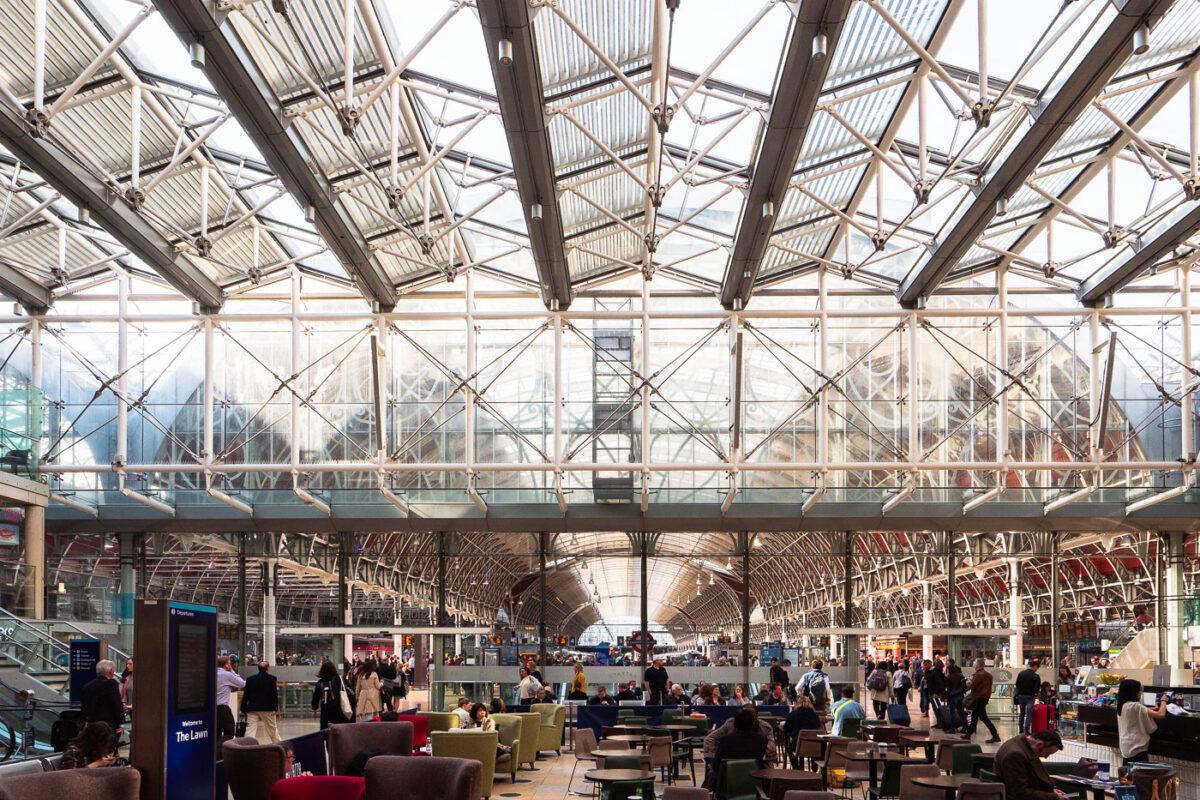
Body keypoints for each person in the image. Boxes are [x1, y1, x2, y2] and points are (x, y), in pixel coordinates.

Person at [994, 730, 1069, 800]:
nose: (1046, 757)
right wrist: (1052, 796)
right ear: (1039, 744)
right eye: (1047, 753)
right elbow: (1020, 792)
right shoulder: (1015, 755)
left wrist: (1050, 791)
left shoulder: (1023, 745)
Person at [705, 709, 768, 790]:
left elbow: (716, 765)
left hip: (727, 783)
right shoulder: (762, 740)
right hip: (753, 782)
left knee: (711, 774)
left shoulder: (726, 740)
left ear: (735, 724)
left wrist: (712, 766)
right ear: (753, 723)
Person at [1116, 678, 1168, 764]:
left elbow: (1134, 711)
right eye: (1138, 690)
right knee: (1140, 776)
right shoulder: (1136, 706)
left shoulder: (1121, 706)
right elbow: (1161, 714)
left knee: (1127, 776)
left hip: (1125, 748)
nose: (1140, 693)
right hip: (1138, 749)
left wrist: (1148, 709)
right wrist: (1164, 701)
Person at [81, 659, 126, 752]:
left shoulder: (87, 686)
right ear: (111, 671)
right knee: (107, 750)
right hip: (108, 726)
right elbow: (116, 704)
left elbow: (84, 707)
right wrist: (121, 723)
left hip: (92, 725)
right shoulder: (111, 683)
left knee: (95, 749)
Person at [242, 661, 281, 743]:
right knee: (272, 729)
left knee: (250, 730)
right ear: (268, 669)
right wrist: (275, 707)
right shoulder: (272, 678)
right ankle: (279, 746)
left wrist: (243, 708)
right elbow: (274, 694)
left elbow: (246, 695)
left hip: (252, 708)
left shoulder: (250, 679)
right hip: (267, 708)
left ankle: (247, 746)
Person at [964, 658, 1000, 743]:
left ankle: (995, 735)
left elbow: (972, 686)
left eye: (974, 663)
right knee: (975, 716)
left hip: (978, 698)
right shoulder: (988, 675)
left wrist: (967, 684)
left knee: (983, 717)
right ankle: (968, 735)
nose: (973, 665)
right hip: (984, 697)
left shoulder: (978, 675)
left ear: (977, 665)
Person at [312, 660, 352, 730]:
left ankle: (328, 740)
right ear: (333, 669)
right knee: (337, 730)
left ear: (322, 670)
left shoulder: (320, 682)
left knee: (326, 731)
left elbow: (315, 698)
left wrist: (314, 710)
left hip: (325, 710)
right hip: (338, 709)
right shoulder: (339, 679)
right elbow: (351, 689)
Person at [783, 696, 821, 768]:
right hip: (814, 746)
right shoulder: (815, 715)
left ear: (798, 704)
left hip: (797, 745)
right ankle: (814, 767)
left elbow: (786, 728)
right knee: (814, 747)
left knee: (790, 749)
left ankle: (796, 768)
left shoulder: (793, 714)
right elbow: (818, 727)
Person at [214, 655, 245, 743]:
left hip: (213, 708)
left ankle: (217, 754)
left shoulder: (213, 673)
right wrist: (232, 671)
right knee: (230, 732)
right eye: (229, 663)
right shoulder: (227, 675)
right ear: (226, 665)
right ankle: (217, 750)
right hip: (223, 708)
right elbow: (242, 683)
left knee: (217, 733)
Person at [1014, 658, 1041, 734]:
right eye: (1037, 668)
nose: (1037, 669)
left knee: (1022, 713)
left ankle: (1020, 729)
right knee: (1029, 713)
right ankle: (1026, 730)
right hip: (1030, 697)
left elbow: (1017, 684)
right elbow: (1036, 688)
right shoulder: (1036, 676)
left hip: (1021, 696)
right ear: (1035, 666)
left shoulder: (1021, 673)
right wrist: (1036, 693)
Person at [946, 663, 967, 733]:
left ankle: (952, 728)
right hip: (960, 696)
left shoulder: (949, 677)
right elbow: (965, 687)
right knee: (961, 712)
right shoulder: (961, 676)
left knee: (951, 712)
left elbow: (948, 688)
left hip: (953, 696)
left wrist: (947, 697)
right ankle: (964, 727)